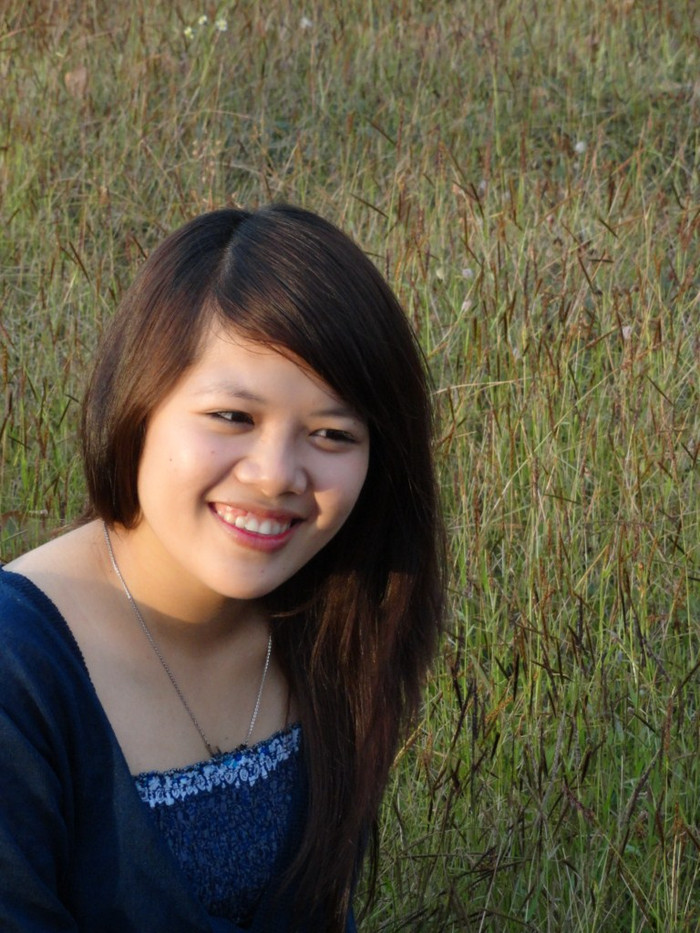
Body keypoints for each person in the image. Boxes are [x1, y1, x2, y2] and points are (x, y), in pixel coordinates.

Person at [0, 204, 444, 932]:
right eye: (233, 417)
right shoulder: (19, 666)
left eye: (332, 433)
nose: (276, 475)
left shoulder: (332, 619)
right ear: (139, 402)